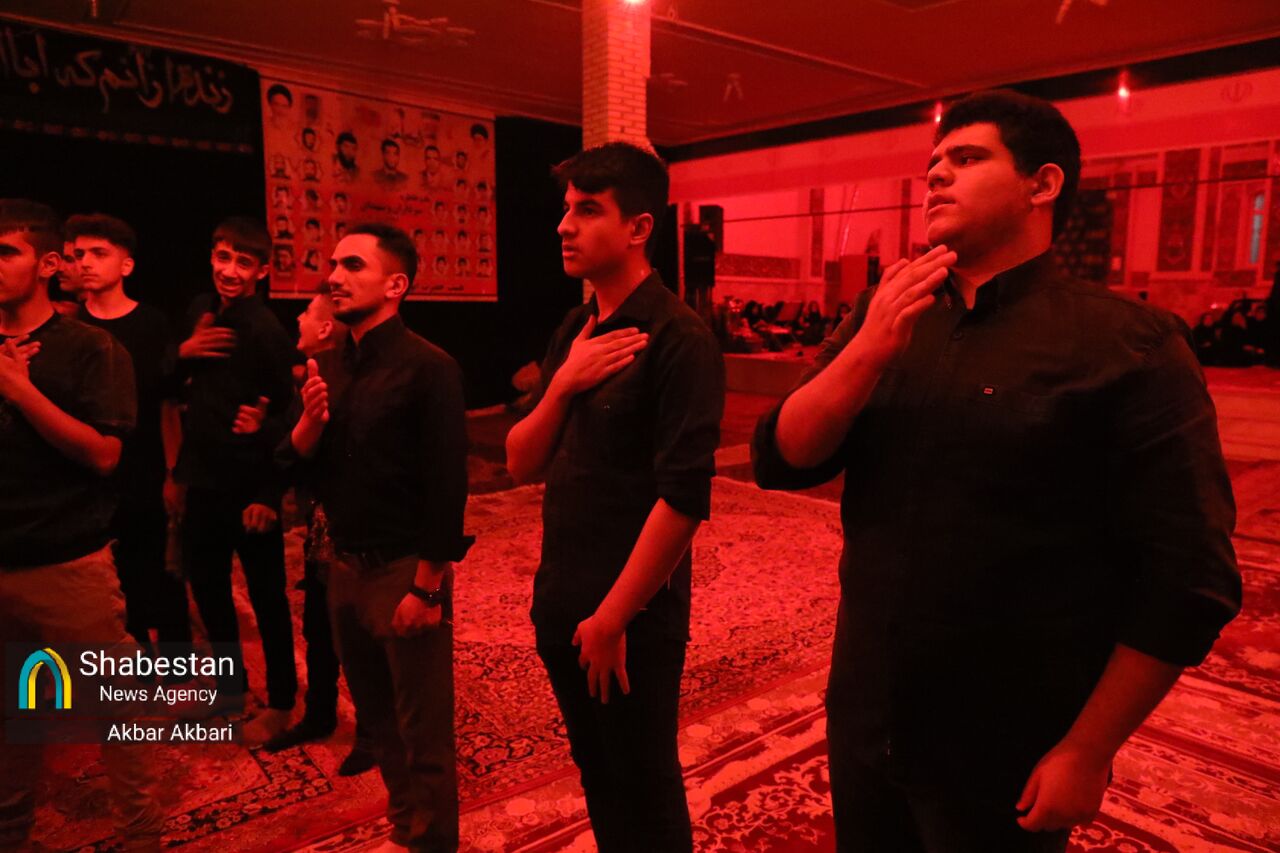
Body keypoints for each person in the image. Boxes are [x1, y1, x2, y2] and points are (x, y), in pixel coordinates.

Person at [752, 90, 1241, 852]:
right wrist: (866, 351)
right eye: (933, 163)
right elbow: (781, 457)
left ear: (1042, 184)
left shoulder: (1128, 345)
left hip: (1007, 744)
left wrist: (1088, 749)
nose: (936, 176)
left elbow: (1190, 580)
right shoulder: (889, 314)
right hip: (866, 718)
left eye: (967, 157)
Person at [505, 142, 725, 852]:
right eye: (566, 209)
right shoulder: (576, 331)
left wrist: (612, 618)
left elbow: (683, 500)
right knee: (598, 773)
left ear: (638, 227)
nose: (564, 226)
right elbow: (519, 461)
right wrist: (563, 384)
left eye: (588, 210)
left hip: (631, 617)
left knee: (644, 785)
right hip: (562, 597)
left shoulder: (680, 338)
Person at [283, 223, 472, 852]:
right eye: (333, 264)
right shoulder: (331, 366)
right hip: (343, 570)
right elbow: (298, 467)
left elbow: (447, 487)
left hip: (402, 570)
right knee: (380, 723)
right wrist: (307, 425)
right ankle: (405, 829)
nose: (334, 276)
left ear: (396, 285)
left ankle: (433, 842)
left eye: (353, 265)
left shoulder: (430, 368)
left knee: (423, 734)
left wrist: (427, 588)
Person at [0, 199, 164, 851]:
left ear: (46, 264)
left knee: (116, 709)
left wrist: (19, 390)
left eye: (5, 251)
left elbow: (104, 454)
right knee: (13, 713)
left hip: (68, 566)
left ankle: (141, 836)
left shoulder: (91, 348)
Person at [173, 217, 299, 745]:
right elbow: (176, 390)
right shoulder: (201, 310)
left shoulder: (265, 330)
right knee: (209, 591)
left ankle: (283, 702)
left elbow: (292, 413)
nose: (229, 270)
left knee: (268, 598)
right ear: (211, 257)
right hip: (203, 480)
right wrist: (182, 353)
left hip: (249, 488)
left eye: (243, 262)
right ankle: (229, 695)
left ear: (262, 271)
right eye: (223, 257)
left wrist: (269, 494)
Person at [262, 290, 375, 777]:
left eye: (307, 312)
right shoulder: (311, 376)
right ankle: (321, 714)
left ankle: (371, 732)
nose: (298, 318)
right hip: (322, 528)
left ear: (326, 327)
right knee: (319, 627)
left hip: (351, 529)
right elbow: (289, 450)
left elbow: (305, 454)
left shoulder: (340, 376)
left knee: (356, 634)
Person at [67, 213, 191, 652]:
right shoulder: (71, 328)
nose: (86, 262)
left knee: (162, 571)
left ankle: (177, 667)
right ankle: (133, 667)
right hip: (90, 477)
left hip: (146, 468)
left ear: (126, 265)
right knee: (107, 582)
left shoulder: (151, 323)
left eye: (99, 253)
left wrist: (174, 473)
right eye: (79, 254)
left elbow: (167, 403)